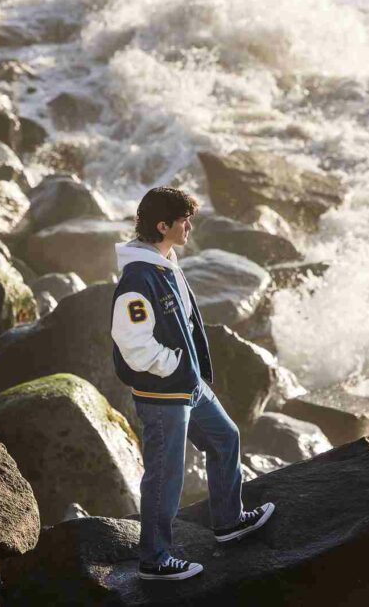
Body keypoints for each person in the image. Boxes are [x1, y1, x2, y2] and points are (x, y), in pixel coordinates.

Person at [111, 186, 275, 581]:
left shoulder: (165, 262)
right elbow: (133, 345)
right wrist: (174, 365)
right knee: (166, 475)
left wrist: (187, 371)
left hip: (188, 384)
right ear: (161, 225)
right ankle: (155, 559)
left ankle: (229, 522)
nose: (189, 225)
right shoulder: (138, 278)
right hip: (163, 391)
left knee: (225, 437)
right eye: (183, 219)